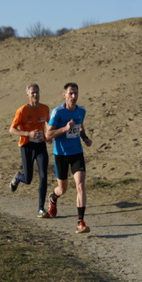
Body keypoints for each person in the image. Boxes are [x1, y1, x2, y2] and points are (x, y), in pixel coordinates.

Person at [45, 82, 93, 234]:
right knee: (62, 189)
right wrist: (65, 128)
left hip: (76, 153)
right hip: (61, 155)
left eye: (76, 93)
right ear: (64, 95)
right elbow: (48, 134)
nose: (73, 96)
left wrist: (85, 138)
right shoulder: (57, 112)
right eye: (70, 93)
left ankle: (81, 222)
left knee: (80, 185)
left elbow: (80, 126)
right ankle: (53, 197)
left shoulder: (81, 111)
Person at [8, 83, 52, 218]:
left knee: (44, 176)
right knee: (28, 179)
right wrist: (28, 134)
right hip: (26, 146)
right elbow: (12, 129)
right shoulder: (22, 110)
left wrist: (48, 136)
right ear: (27, 96)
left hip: (40, 146)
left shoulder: (45, 108)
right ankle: (17, 177)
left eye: (37, 92)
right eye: (32, 93)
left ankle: (41, 208)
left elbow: (48, 125)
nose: (35, 95)